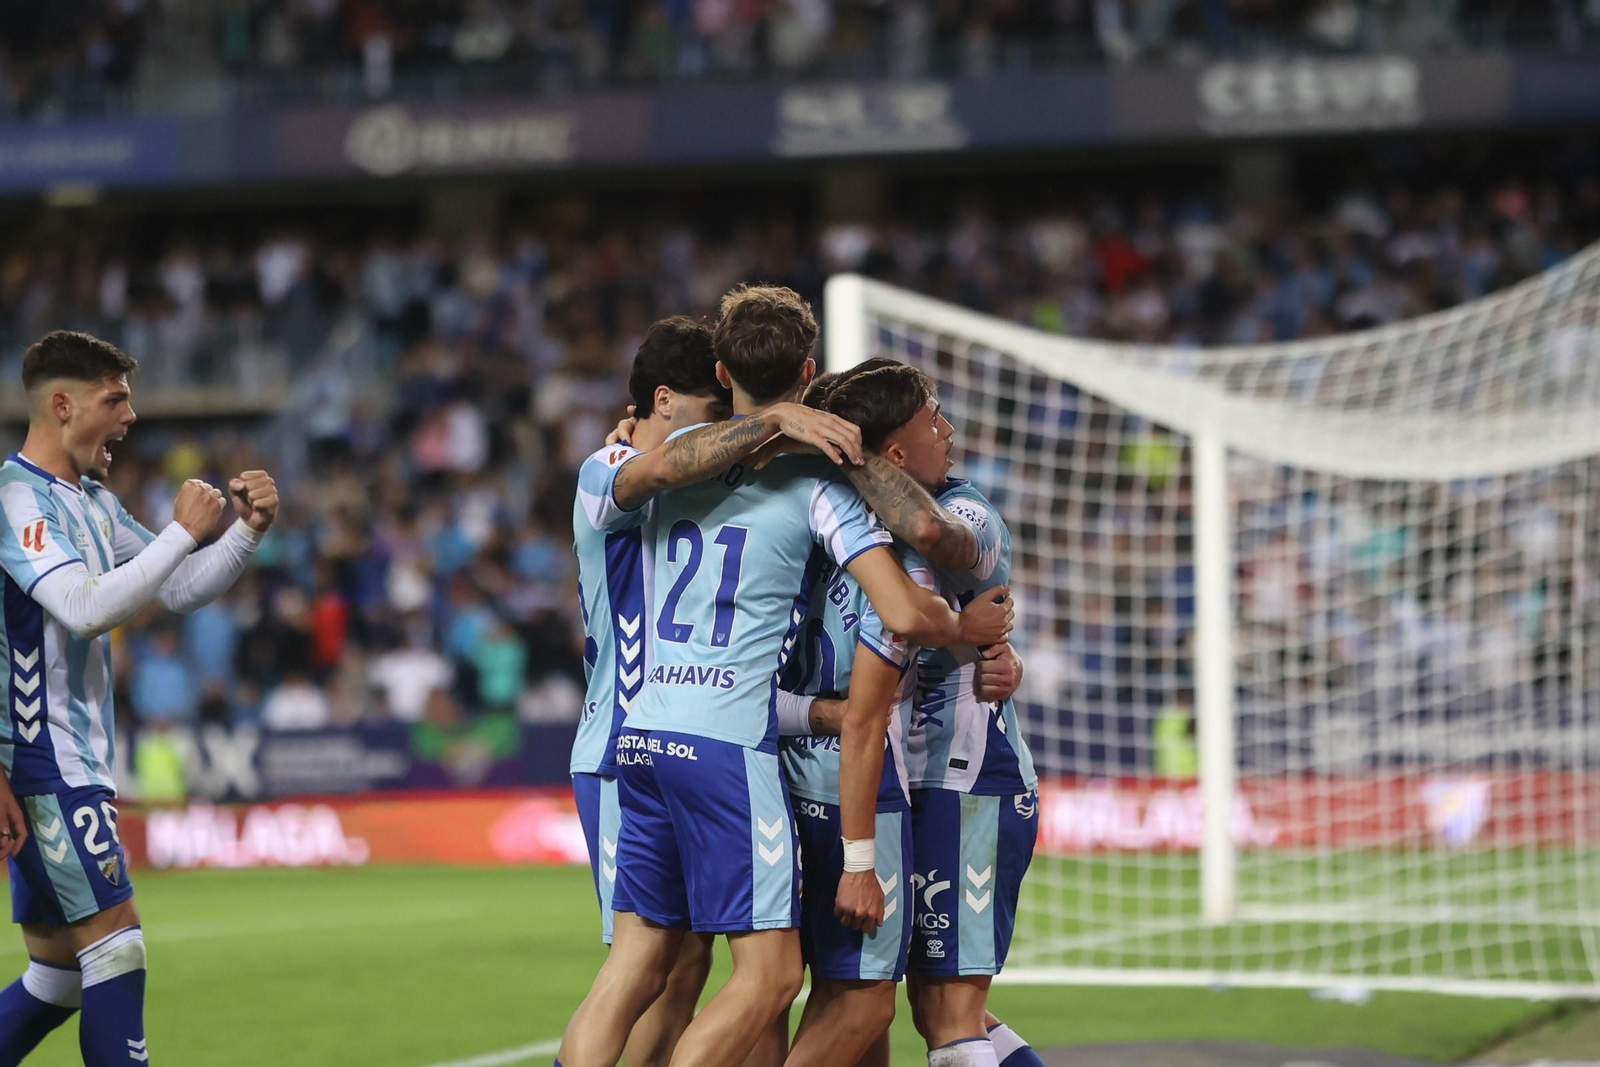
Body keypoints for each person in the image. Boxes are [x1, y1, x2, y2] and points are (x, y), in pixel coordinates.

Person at [557, 286, 1013, 1067]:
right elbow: (906, 604)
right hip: (730, 745)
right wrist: (962, 628)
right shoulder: (819, 487)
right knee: (770, 977)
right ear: (808, 370)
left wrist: (758, 424)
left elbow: (666, 460)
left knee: (649, 968)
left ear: (724, 372)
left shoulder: (653, 469)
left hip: (641, 735)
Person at [568, 315, 867, 1067]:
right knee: (650, 968)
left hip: (666, 734)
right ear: (664, 401)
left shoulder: (697, 475)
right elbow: (665, 466)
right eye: (714, 412)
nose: (726, 431)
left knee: (684, 964)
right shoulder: (613, 467)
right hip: (622, 741)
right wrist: (775, 418)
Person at [0, 330, 279, 1066]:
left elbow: (176, 585)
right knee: (117, 944)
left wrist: (245, 532)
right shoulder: (17, 498)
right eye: (115, 400)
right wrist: (181, 531)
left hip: (71, 758)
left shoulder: (91, 500)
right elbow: (84, 607)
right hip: (43, 759)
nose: (130, 416)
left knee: (60, 976)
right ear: (63, 405)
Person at [822, 359, 1046, 1067]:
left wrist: (847, 458)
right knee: (932, 1007)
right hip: (907, 788)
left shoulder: (970, 510)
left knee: (950, 1016)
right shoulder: (848, 527)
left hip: (969, 783)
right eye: (933, 420)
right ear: (896, 452)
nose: (949, 431)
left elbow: (935, 532)